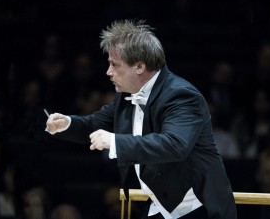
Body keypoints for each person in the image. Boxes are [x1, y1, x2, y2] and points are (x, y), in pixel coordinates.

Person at [45, 20, 237, 219]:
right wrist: (67, 123)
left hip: (199, 207)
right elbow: (94, 124)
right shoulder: (126, 95)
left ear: (139, 66)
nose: (108, 71)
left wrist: (114, 141)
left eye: (114, 64)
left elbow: (175, 144)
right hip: (162, 205)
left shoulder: (181, 95)